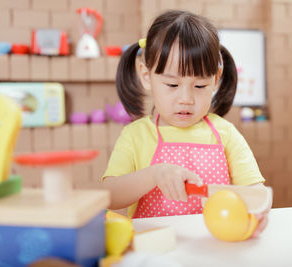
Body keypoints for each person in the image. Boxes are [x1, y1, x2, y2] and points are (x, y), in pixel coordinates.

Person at [102, 10, 270, 234]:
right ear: (146, 76)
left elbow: (256, 193)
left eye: (200, 86)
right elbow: (109, 196)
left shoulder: (225, 134)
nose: (186, 99)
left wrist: (258, 211)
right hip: (156, 253)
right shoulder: (136, 136)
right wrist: (154, 174)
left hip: (214, 247)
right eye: (172, 85)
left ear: (215, 80)